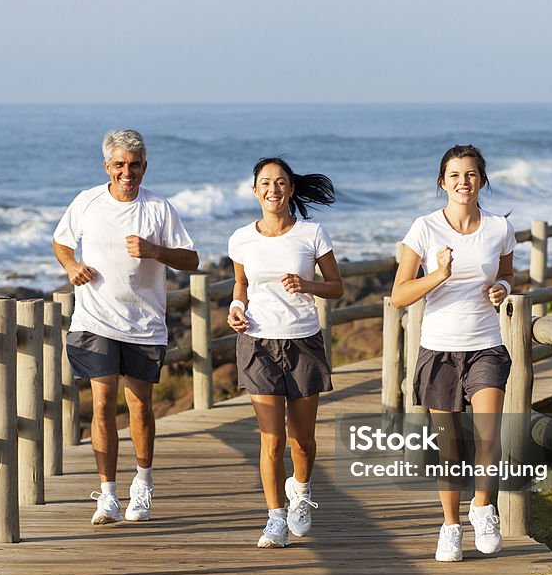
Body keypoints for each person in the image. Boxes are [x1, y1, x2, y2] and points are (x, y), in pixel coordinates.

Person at [52, 129, 199, 525]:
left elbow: (191, 260)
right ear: (107, 167)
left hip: (144, 325)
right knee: (101, 405)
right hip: (94, 320)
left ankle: (143, 484)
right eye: (119, 165)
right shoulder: (87, 202)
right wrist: (71, 266)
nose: (127, 172)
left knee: (140, 406)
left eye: (134, 165)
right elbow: (61, 241)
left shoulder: (159, 209)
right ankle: (108, 494)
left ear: (145, 167)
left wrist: (154, 251)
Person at [390, 144, 515, 562]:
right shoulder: (424, 229)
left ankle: (482, 506)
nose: (464, 182)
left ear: (482, 181)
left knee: (488, 434)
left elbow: (509, 273)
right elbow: (399, 296)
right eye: (455, 175)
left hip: (485, 345)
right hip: (439, 349)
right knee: (449, 447)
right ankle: (449, 526)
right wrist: (438, 275)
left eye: (472, 175)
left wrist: (504, 289)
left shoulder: (498, 228)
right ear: (442, 182)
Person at [227, 157, 344, 548]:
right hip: (258, 343)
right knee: (271, 439)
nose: (273, 189)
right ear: (255, 190)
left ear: (291, 189)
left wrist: (307, 286)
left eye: (280, 182)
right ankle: (275, 518)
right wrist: (236, 309)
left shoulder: (312, 233)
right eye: (265, 182)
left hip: (303, 342)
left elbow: (336, 287)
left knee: (302, 441)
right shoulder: (242, 238)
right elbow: (240, 286)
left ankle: (301, 491)